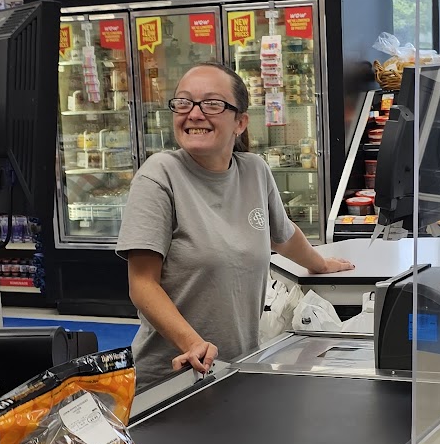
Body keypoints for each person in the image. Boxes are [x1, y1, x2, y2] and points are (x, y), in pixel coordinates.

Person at [117, 61, 354, 390]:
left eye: (211, 104)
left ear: (240, 122)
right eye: (184, 103)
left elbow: (283, 235)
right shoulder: (159, 176)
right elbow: (143, 284)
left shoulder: (254, 171)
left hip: (236, 368)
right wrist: (192, 344)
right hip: (172, 379)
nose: (194, 114)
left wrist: (321, 264)